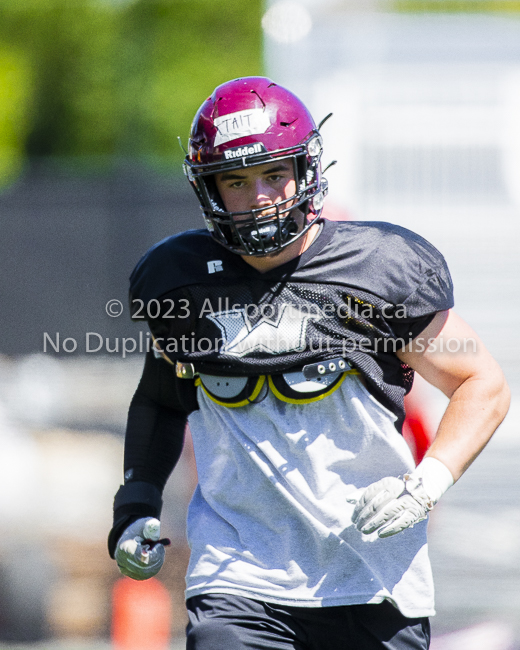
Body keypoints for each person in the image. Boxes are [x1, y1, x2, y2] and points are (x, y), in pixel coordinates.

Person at [108, 77, 510, 649]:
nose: (261, 196)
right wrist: (136, 500)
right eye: (237, 180)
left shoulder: (377, 268)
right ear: (209, 189)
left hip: (372, 580)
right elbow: (158, 398)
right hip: (237, 579)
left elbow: (482, 383)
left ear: (306, 169)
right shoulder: (180, 278)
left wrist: (427, 484)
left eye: (275, 174)